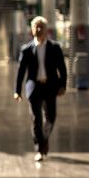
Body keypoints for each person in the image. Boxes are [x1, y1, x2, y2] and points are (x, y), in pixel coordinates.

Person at [14, 16, 67, 161]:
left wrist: (62, 86)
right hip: (34, 88)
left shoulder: (55, 48)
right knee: (36, 119)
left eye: (41, 27)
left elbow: (62, 69)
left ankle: (44, 138)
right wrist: (17, 91)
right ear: (32, 30)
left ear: (46, 30)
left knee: (51, 117)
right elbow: (21, 72)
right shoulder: (26, 50)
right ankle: (40, 149)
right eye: (35, 27)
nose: (38, 29)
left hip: (50, 87)